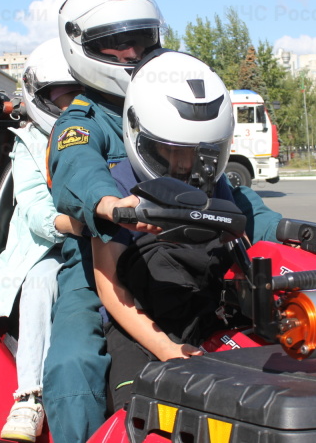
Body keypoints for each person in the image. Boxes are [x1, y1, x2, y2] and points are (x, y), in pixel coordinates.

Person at [89, 50, 282, 410]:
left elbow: (235, 248)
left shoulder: (216, 184)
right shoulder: (116, 189)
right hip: (137, 328)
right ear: (139, 135)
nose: (182, 164)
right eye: (169, 149)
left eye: (196, 153)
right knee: (138, 412)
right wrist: (166, 350)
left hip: (202, 314)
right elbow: (109, 286)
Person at [43, 0, 163, 443]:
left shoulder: (164, 106)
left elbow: (224, 186)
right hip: (96, 264)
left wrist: (300, 231)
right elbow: (78, 170)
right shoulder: (81, 120)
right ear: (81, 46)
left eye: (140, 39)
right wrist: (112, 204)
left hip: (180, 254)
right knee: (73, 363)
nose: (131, 53)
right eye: (115, 44)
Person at [0, 39, 84, 443]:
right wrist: (89, 220)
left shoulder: (102, 133)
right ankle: (30, 395)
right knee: (42, 281)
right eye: (67, 97)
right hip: (48, 246)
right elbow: (39, 218)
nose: (76, 107)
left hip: (98, 239)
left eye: (83, 96)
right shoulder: (30, 143)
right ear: (43, 98)